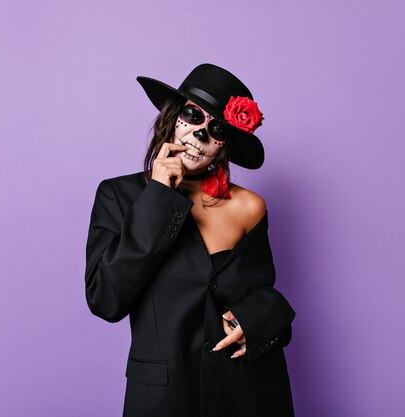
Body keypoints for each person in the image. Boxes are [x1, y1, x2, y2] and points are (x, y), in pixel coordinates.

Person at [84, 63, 296, 417]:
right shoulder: (118, 196)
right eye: (193, 116)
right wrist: (157, 197)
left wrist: (254, 319)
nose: (200, 135)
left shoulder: (249, 206)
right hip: (165, 399)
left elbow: (263, 295)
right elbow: (105, 299)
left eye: (216, 129)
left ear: (224, 145)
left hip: (247, 392)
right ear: (172, 115)